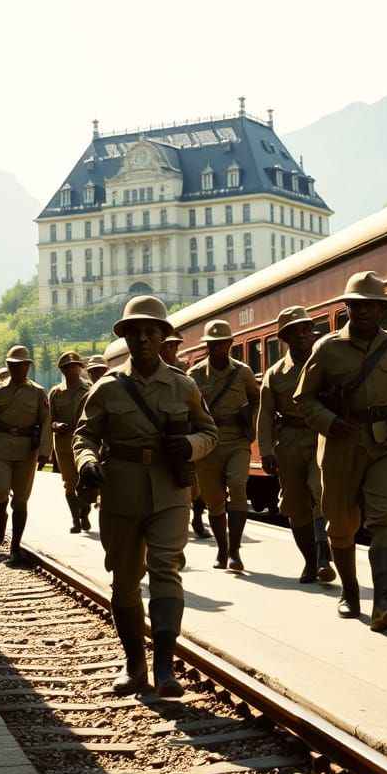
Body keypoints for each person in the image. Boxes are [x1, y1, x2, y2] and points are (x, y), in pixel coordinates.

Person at [73, 296, 218, 697]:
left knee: (165, 569)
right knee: (124, 581)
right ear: (125, 338)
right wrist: (86, 461)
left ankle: (166, 668)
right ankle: (134, 663)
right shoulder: (106, 388)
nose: (141, 339)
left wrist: (190, 444)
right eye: (133, 333)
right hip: (120, 490)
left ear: (162, 337)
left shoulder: (183, 385)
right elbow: (84, 434)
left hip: (170, 488)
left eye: (149, 332)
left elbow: (210, 433)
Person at [294, 272, 387, 631]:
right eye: (356, 304)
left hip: (384, 442)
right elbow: (303, 397)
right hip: (340, 444)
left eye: (371, 305)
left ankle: (383, 600)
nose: (363, 310)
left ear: (383, 309)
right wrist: (329, 422)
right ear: (347, 307)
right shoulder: (327, 349)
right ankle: (350, 592)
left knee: (385, 518)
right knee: (339, 523)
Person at [257, 306, 335, 584]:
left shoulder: (327, 362)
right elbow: (265, 414)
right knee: (295, 503)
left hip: (321, 436)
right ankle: (310, 561)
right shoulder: (275, 374)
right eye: (294, 331)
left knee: (319, 490)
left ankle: (324, 555)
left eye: (305, 329)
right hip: (289, 442)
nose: (301, 335)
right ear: (285, 338)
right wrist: (266, 451)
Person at [189, 319, 260, 571]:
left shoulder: (243, 372)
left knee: (238, 485)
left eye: (222, 344)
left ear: (230, 344)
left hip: (237, 440)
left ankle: (236, 551)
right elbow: (188, 408)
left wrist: (250, 426)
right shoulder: (195, 375)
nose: (217, 348)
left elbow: (256, 400)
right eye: (212, 344)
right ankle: (223, 549)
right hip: (208, 443)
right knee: (214, 500)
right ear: (207, 346)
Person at [0, 345, 52, 566]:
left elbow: (46, 423)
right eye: (13, 365)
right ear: (8, 366)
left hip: (27, 451)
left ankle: (15, 546)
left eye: (21, 365)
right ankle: (1, 517)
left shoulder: (37, 392)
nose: (17, 369)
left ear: (28, 366)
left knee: (20, 500)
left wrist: (45, 452)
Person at [161, 332, 208, 540]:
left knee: (196, 484)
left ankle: (197, 518)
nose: (172, 350)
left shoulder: (184, 372)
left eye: (175, 346)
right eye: (168, 346)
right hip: (164, 434)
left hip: (186, 434)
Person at [49, 351, 92, 533]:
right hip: (64, 444)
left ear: (81, 368)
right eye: (67, 368)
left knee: (87, 481)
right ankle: (76, 519)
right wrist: (57, 425)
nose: (71, 370)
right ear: (62, 371)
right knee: (70, 483)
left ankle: (85, 512)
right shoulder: (55, 393)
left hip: (87, 442)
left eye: (74, 366)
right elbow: (49, 420)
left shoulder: (90, 389)